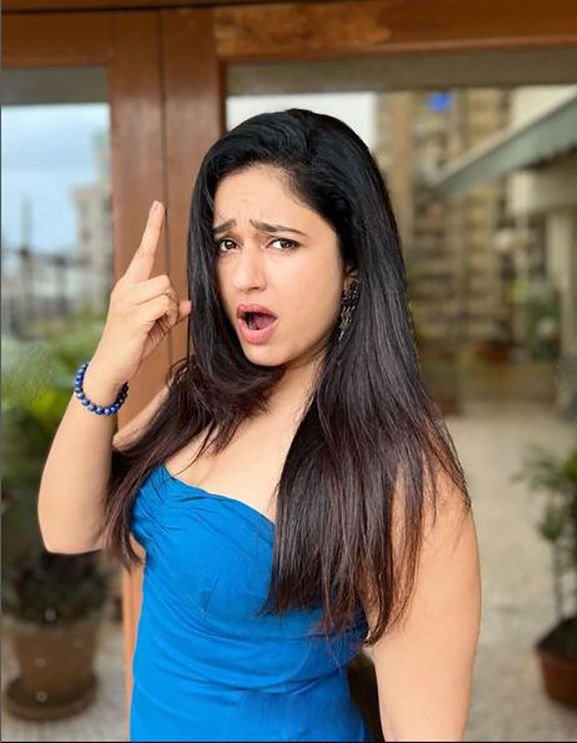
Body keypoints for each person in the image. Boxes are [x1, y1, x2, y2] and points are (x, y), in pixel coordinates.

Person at [38, 108, 482, 741]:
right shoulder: (198, 394)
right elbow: (67, 528)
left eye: (281, 243)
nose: (245, 277)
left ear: (352, 263)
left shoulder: (406, 475)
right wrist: (106, 371)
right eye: (228, 243)